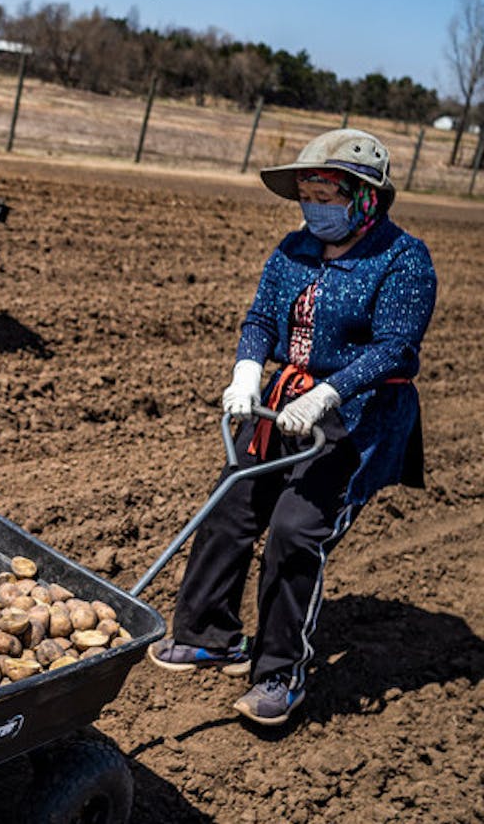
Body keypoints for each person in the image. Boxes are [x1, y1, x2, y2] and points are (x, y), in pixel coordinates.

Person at [148, 128, 437, 727]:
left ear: (365, 196)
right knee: (230, 508)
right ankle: (210, 636)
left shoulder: (403, 259)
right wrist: (248, 371)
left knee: (295, 529)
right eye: (306, 190)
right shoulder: (293, 249)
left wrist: (330, 392)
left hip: (355, 418)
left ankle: (280, 672)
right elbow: (260, 319)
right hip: (279, 407)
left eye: (325, 191)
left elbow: (395, 349)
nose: (313, 203)